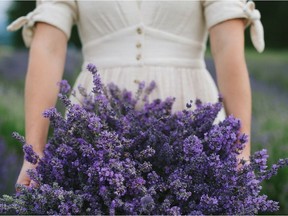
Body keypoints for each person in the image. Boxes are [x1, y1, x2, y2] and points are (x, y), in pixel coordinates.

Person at [8, 0, 264, 188]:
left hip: (191, 117)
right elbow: (48, 49)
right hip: (93, 126)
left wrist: (241, 150)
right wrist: (35, 152)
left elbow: (228, 49)